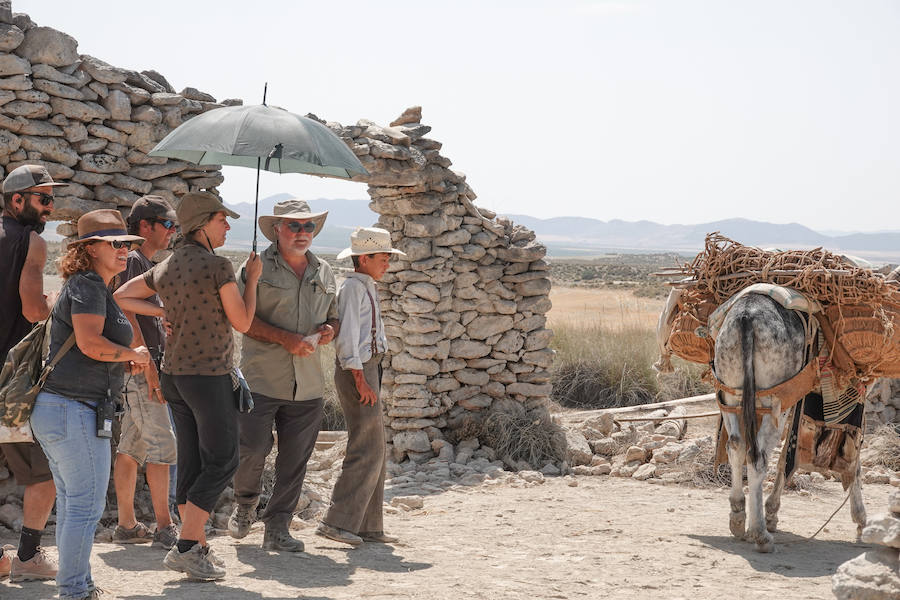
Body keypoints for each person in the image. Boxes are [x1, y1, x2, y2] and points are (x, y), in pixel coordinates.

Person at [115, 191, 261, 581]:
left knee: (193, 462)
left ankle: (194, 546)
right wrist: (252, 282)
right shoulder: (218, 266)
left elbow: (121, 295)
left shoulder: (165, 265)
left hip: (174, 376)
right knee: (223, 460)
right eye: (222, 219)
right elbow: (243, 322)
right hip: (208, 375)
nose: (228, 225)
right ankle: (186, 546)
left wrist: (163, 310)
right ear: (202, 225)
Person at [30, 209, 150, 600]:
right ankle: (75, 590)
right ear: (91, 249)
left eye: (127, 244)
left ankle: (77, 585)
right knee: (84, 506)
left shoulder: (92, 286)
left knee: (73, 504)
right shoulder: (89, 286)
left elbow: (94, 352)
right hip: (72, 409)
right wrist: (134, 354)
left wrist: (125, 360)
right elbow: (90, 344)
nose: (124, 250)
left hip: (67, 409)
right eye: (115, 244)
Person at [229, 198, 339, 552]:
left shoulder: (324, 270)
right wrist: (284, 338)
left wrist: (328, 332)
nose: (302, 232)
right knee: (252, 449)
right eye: (294, 225)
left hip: (307, 385)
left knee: (295, 460)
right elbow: (240, 318)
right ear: (276, 229)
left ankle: (278, 526)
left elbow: (334, 316)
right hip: (261, 379)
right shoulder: (255, 268)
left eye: (308, 226)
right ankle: (245, 505)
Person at [317, 227, 404, 546]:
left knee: (375, 446)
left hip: (367, 368)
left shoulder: (364, 285)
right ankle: (335, 521)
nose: (387, 265)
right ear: (364, 259)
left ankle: (368, 524)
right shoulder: (353, 289)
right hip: (358, 370)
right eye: (383, 259)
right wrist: (360, 379)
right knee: (365, 445)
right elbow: (348, 338)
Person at [0, 164, 63, 583]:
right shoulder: (32, 243)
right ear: (16, 200)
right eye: (43, 199)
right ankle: (26, 557)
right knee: (45, 471)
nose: (50, 208)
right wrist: (56, 301)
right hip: (13, 383)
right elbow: (33, 311)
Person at [111, 196, 179, 549]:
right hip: (140, 369)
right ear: (145, 226)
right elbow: (128, 317)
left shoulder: (139, 262)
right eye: (166, 224)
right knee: (163, 446)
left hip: (135, 369)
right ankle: (165, 527)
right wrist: (149, 367)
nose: (172, 232)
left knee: (132, 446)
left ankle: (126, 525)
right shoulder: (134, 260)